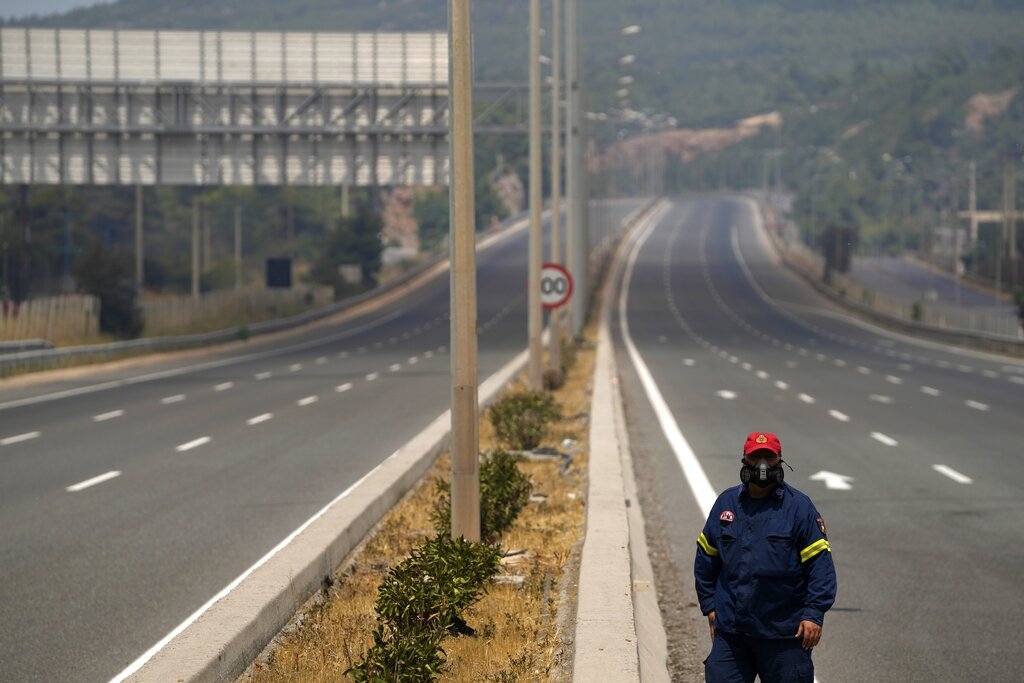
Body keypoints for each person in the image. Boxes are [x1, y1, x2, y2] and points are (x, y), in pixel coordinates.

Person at [694, 432, 837, 683]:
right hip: (733, 634)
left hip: (785, 637)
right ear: (744, 462)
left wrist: (813, 614)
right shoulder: (726, 504)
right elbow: (706, 558)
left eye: (768, 458)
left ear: (779, 461)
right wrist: (710, 607)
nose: (762, 464)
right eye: (756, 457)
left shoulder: (799, 508)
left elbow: (820, 567)